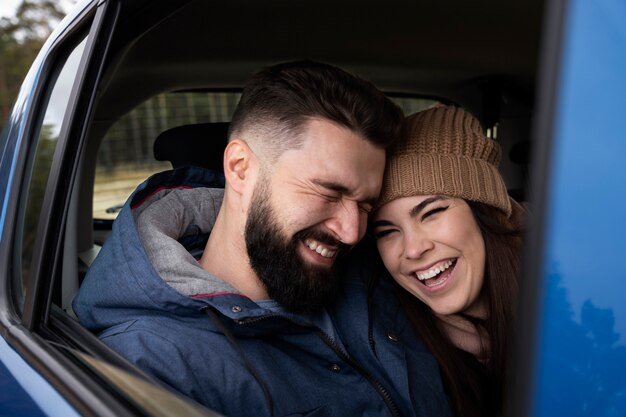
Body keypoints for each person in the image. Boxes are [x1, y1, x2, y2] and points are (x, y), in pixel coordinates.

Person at [73, 61, 451, 417]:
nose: (352, 231)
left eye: (366, 205)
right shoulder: (155, 365)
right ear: (240, 169)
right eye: (329, 193)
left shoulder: (376, 275)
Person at [371, 105, 525, 417]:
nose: (413, 250)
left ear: (483, 212)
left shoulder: (570, 294)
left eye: (432, 213)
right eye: (387, 231)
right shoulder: (388, 347)